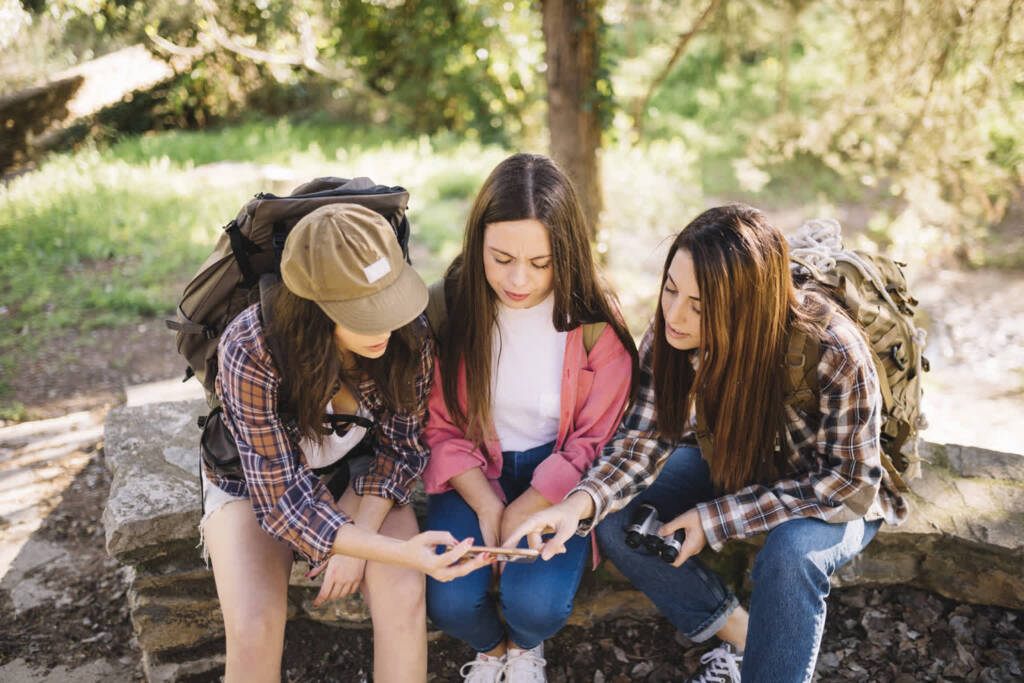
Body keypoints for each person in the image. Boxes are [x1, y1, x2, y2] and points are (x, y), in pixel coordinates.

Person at [504, 204, 909, 683]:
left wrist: (713, 518)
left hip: (829, 492)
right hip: (741, 462)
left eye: (699, 306)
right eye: (671, 290)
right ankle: (742, 634)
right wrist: (577, 506)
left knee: (790, 555)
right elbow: (642, 441)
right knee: (616, 518)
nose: (674, 315)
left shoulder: (834, 348)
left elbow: (850, 484)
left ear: (747, 308)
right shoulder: (671, 329)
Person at [200, 203, 490, 683]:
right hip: (254, 482)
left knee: (403, 594)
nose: (384, 328)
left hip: (355, 470)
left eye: (389, 304)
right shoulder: (249, 347)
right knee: (254, 628)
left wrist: (360, 544)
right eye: (363, 314)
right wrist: (381, 547)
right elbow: (282, 500)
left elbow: (401, 449)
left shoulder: (408, 333)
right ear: (313, 305)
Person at [421, 153, 636, 683]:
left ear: (568, 253)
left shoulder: (594, 327)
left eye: (541, 264)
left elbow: (592, 440)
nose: (519, 280)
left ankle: (524, 648)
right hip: (473, 470)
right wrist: (488, 503)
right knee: (449, 599)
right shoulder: (452, 309)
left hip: (558, 478)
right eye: (501, 259)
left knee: (539, 605)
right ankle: (491, 650)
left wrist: (530, 504)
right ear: (477, 247)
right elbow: (441, 424)